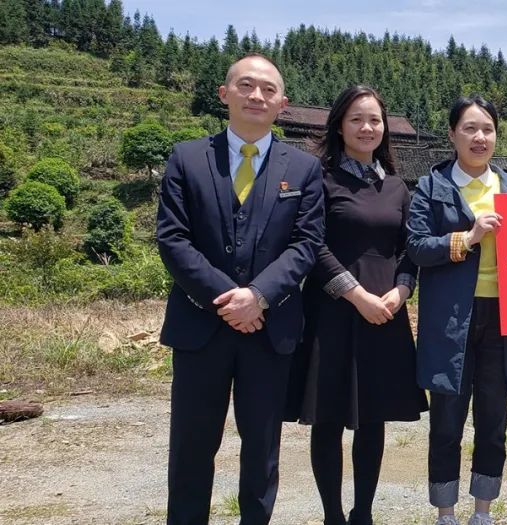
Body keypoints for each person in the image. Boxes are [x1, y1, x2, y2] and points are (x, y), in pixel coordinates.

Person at [156, 54, 324, 525]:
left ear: (283, 104)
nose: (257, 95)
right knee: (191, 446)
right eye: (246, 85)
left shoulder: (304, 169)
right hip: (200, 326)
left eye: (269, 89)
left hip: (270, 328)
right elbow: (173, 239)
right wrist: (231, 300)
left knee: (263, 450)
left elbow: (306, 244)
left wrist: (258, 296)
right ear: (224, 94)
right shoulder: (187, 157)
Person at [284, 85, 427, 525]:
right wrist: (356, 294)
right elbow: (311, 243)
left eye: (375, 120)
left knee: (372, 419)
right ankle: (332, 515)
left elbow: (408, 249)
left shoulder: (397, 186)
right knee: (327, 419)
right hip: (331, 311)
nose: (367, 128)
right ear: (339, 126)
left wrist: (402, 291)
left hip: (385, 314)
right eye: (357, 119)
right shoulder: (319, 178)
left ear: (385, 129)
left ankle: (363, 513)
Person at [406, 95, 507, 525]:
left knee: (493, 420)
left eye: (488, 129)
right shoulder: (431, 187)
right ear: (452, 135)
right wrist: (468, 237)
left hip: (506, 317)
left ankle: (483, 511)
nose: (480, 137)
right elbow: (416, 247)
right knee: (447, 420)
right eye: (470, 128)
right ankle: (446, 513)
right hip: (451, 318)